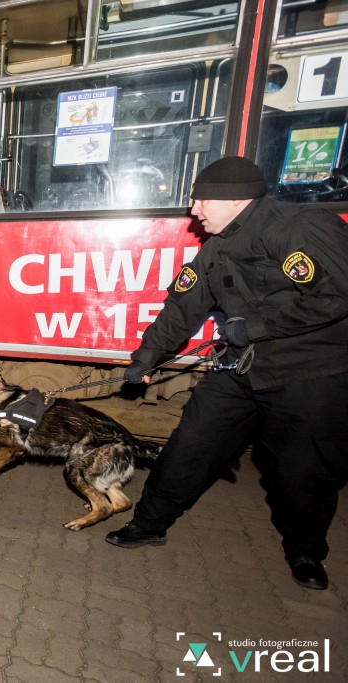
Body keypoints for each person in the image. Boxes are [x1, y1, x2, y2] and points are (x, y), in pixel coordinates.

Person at [108, 156, 348, 591]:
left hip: (308, 376)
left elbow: (337, 294)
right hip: (240, 368)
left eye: (201, 200)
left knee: (302, 473)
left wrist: (255, 327)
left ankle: (306, 551)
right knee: (190, 447)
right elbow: (183, 306)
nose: (194, 209)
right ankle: (149, 524)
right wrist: (146, 358)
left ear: (236, 199)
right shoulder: (217, 246)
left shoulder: (299, 228)